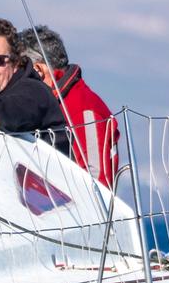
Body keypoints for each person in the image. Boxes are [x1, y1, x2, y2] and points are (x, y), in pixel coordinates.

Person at [19, 24, 120, 184]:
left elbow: (96, 180)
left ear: (38, 69)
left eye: (20, 71)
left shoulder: (83, 109)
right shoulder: (54, 102)